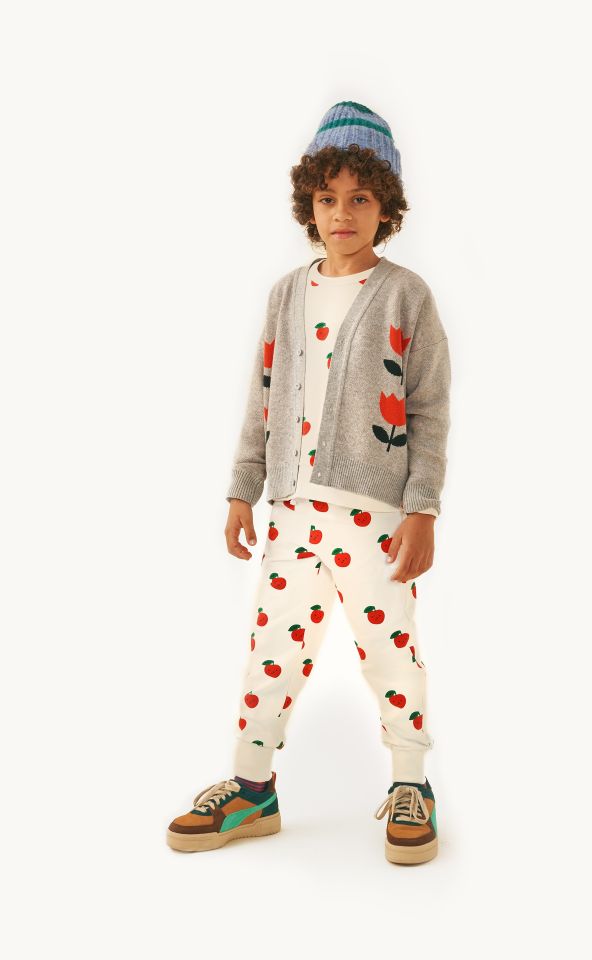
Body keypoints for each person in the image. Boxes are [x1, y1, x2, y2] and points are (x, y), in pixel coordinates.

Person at [166, 101, 451, 865]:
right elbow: (263, 396)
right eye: (328, 197)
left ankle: (412, 783)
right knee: (271, 648)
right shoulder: (287, 293)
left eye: (361, 197)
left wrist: (422, 508)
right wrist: (242, 487)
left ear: (387, 206)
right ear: (309, 205)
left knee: (390, 649)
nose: (343, 214)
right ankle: (252, 788)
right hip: (291, 512)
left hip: (375, 515)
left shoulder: (406, 295)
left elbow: (428, 410)